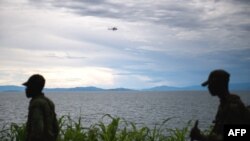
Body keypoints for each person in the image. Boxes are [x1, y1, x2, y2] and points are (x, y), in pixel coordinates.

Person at [190, 69, 250, 141]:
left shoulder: (233, 107)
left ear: (218, 84)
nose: (208, 87)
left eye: (210, 84)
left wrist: (200, 137)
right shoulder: (224, 104)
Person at [23, 74, 59, 141]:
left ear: (33, 88)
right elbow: (56, 128)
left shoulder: (36, 104)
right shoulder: (48, 102)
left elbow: (37, 130)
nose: (26, 89)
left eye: (28, 87)